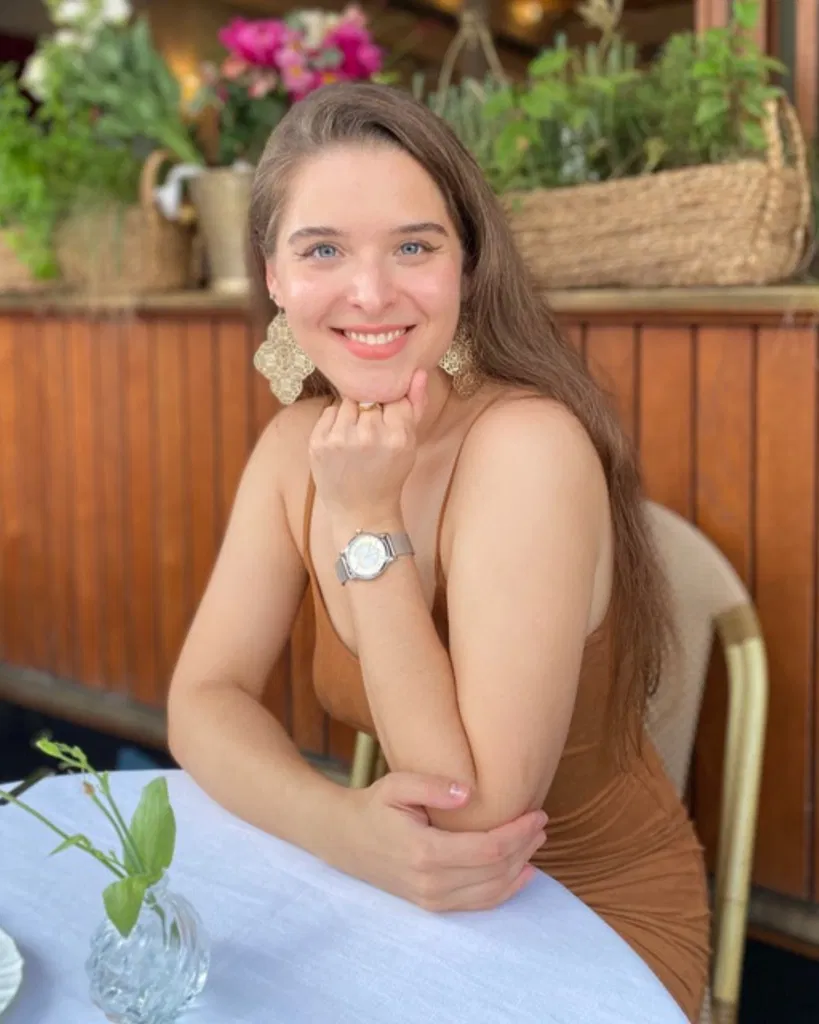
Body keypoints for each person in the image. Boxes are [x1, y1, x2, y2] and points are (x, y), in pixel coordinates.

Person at [167, 81, 709, 1021]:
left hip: (587, 921)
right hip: (406, 887)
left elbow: (470, 812)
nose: (370, 292)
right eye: (323, 250)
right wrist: (341, 823)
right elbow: (201, 699)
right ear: (274, 277)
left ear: (464, 263)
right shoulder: (298, 447)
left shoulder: (527, 448)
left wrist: (369, 521)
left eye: (413, 246)